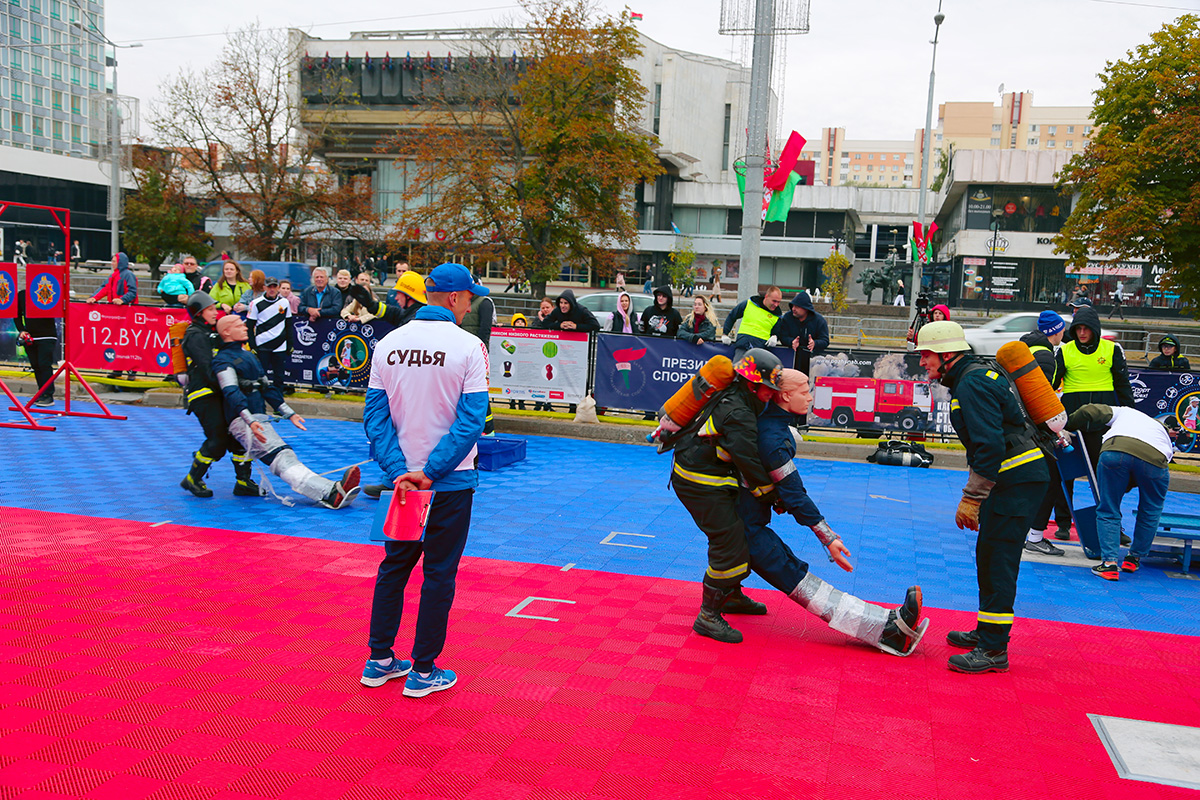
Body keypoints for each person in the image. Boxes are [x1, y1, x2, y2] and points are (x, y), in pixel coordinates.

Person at [360, 263, 491, 696]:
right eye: (470, 296)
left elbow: (374, 417)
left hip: (402, 485)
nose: (471, 303)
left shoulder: (388, 344)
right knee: (438, 573)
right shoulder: (470, 347)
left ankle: (379, 660)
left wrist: (400, 471)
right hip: (449, 482)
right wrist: (431, 473)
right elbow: (472, 420)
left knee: (394, 566)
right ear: (453, 298)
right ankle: (422, 670)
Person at [736, 369, 926, 656]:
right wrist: (828, 539)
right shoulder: (773, 438)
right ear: (786, 396)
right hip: (741, 525)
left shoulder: (770, 427)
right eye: (805, 391)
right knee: (790, 573)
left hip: (744, 521)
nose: (811, 398)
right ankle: (888, 633)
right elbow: (795, 495)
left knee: (785, 564)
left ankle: (885, 623)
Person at [917, 321, 1049, 674]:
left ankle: (993, 651)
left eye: (926, 355)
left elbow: (989, 446)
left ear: (947, 355)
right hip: (1014, 480)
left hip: (1015, 482)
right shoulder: (976, 374)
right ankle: (987, 632)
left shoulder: (971, 383)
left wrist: (972, 498)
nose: (922, 362)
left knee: (998, 561)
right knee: (989, 554)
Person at [668, 348, 781, 644]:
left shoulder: (738, 396)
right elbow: (748, 460)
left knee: (737, 533)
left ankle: (730, 595)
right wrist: (770, 494)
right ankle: (708, 615)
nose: (771, 396)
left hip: (707, 473)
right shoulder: (739, 412)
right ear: (753, 385)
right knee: (728, 541)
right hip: (699, 480)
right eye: (768, 390)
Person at [212, 314, 360, 509]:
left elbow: (267, 388)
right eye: (239, 325)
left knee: (282, 455)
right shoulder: (222, 361)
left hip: (256, 420)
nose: (246, 327)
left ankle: (330, 490)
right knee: (280, 457)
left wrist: (289, 413)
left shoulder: (248, 357)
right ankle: (329, 493)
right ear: (226, 332)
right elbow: (231, 392)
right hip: (243, 421)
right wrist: (249, 421)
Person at [1065, 404, 1175, 581]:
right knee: (1151, 510)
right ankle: (1134, 558)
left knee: (1108, 508)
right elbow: (1141, 471)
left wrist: (1066, 425)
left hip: (1116, 451)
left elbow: (1089, 411)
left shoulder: (1125, 412)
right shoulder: (1162, 435)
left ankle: (1109, 565)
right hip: (1156, 458)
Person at [1055, 305, 1135, 532]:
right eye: (1078, 328)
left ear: (1095, 329)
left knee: (1107, 476)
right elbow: (1050, 385)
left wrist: (1131, 416)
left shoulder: (1112, 349)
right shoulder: (1065, 351)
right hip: (1072, 422)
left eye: (1086, 329)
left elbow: (1123, 386)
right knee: (1065, 475)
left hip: (1103, 424)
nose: (1081, 333)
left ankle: (1113, 527)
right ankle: (1063, 523)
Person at [178, 292, 258, 499]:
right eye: (211, 309)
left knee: (238, 437)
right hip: (202, 393)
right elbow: (207, 368)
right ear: (199, 312)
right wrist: (234, 385)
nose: (216, 312)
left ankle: (243, 482)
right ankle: (193, 478)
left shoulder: (209, 333)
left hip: (218, 392)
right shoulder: (195, 335)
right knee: (218, 440)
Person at [1021, 310, 1072, 556]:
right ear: (1057, 330)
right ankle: (1035, 536)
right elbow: (1038, 397)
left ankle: (1018, 531)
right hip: (1033, 429)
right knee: (1050, 480)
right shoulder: (1045, 356)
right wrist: (1052, 429)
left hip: (1018, 426)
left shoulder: (1026, 346)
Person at [247, 277, 293, 394]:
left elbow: (288, 324)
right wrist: (252, 345)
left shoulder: (284, 302)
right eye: (269, 287)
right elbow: (250, 325)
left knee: (279, 377)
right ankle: (260, 402)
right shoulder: (256, 303)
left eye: (274, 287)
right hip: (262, 345)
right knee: (261, 376)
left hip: (280, 346)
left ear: (278, 288)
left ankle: (279, 405)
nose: (272, 289)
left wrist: (290, 343)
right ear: (264, 288)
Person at [15, 288, 59, 407]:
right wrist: (21, 330)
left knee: (44, 364)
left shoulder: (48, 292)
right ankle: (42, 393)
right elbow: (16, 314)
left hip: (47, 335)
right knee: (36, 365)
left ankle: (49, 395)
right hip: (30, 336)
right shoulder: (22, 294)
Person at [721, 286, 783, 358]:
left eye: (778, 302)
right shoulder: (749, 304)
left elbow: (777, 332)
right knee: (738, 368)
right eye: (774, 301)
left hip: (761, 350)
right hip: (743, 346)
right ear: (766, 296)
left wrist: (775, 337)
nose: (776, 305)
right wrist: (725, 333)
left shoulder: (777, 316)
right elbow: (732, 316)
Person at [772, 292, 829, 369]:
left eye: (797, 307)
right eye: (793, 306)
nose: (793, 309)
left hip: (811, 361)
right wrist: (791, 342)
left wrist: (815, 343)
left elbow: (825, 340)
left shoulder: (819, 320)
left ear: (806, 308)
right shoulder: (787, 318)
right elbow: (783, 336)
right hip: (791, 358)